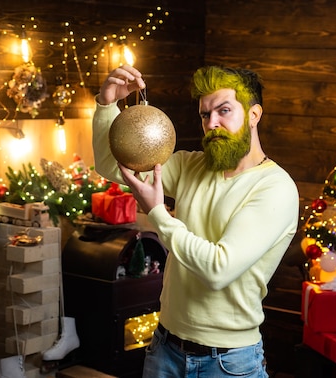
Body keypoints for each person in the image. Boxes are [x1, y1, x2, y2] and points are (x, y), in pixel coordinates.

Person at [92, 64, 299, 378]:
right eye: (205, 114)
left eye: (224, 110)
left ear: (254, 114)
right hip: (164, 348)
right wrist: (107, 105)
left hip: (228, 364)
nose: (212, 123)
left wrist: (158, 213)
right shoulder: (190, 165)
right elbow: (115, 166)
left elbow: (218, 270)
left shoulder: (275, 188)